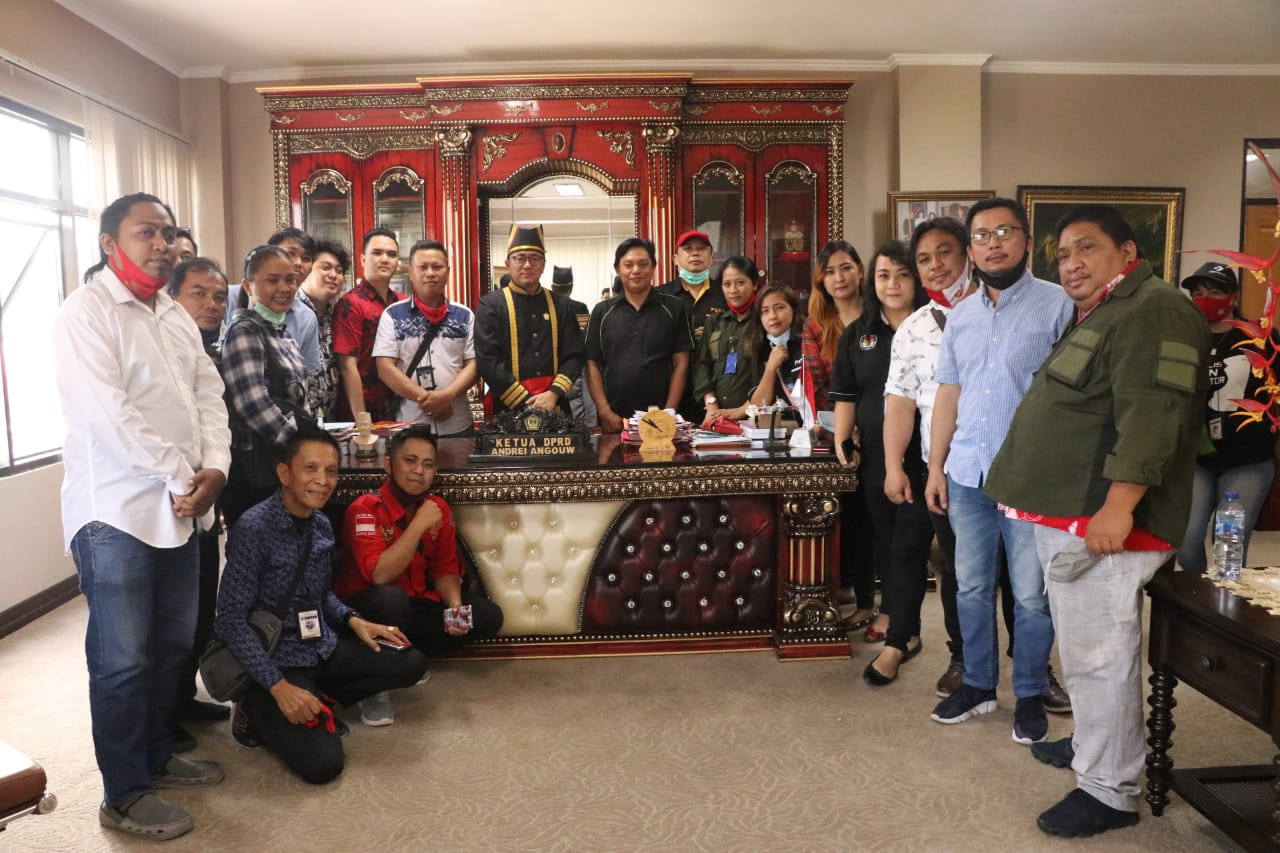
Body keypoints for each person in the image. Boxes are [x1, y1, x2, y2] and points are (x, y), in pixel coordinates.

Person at [984, 204, 1209, 838]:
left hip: (1106, 521)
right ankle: (1094, 743)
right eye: (1064, 254)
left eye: (1087, 248)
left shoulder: (1154, 308)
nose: (1072, 263)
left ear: (1128, 252)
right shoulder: (1107, 309)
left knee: (1100, 656)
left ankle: (1109, 789)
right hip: (1074, 512)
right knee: (1083, 649)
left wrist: (1119, 505)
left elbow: (1154, 413)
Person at [54, 193, 231, 841]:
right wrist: (186, 477)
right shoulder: (86, 313)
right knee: (123, 658)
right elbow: (109, 414)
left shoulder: (172, 313)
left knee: (172, 645)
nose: (161, 244)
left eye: (168, 233)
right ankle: (124, 793)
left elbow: (208, 395)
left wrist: (217, 469)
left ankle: (156, 752)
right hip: (116, 513)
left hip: (183, 508)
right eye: (145, 232)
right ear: (110, 243)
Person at [924, 197, 1075, 744]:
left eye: (1004, 232)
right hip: (968, 474)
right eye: (982, 236)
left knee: (1031, 595)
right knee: (970, 587)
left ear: (1027, 241)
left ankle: (1030, 692)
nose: (993, 244)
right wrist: (936, 467)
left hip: (1031, 478)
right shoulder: (961, 315)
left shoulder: (1059, 305)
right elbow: (949, 393)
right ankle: (979, 685)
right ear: (971, 250)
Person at [214, 429, 429, 784]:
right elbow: (230, 620)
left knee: (410, 661)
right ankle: (253, 708)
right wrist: (277, 686)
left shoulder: (322, 525)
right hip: (275, 661)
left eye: (331, 471)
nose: (323, 480)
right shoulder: (254, 528)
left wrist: (354, 620)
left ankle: (317, 697)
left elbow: (320, 594)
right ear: (285, 473)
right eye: (310, 468)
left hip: (319, 646)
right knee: (323, 765)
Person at [882, 218, 1021, 699]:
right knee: (960, 571)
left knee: (1022, 576)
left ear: (967, 255)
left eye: (944, 252)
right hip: (948, 471)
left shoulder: (1006, 311)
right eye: (923, 259)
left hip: (1014, 466)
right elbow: (900, 402)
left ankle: (1031, 666)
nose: (935, 265)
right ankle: (964, 658)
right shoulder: (913, 329)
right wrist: (895, 466)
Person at [335, 424, 504, 725]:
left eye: (428, 464)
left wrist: (454, 605)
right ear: (389, 465)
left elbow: (444, 568)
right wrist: (418, 525)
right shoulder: (365, 509)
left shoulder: (436, 507)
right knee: (391, 600)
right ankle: (375, 686)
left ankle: (409, 654)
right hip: (368, 611)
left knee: (487, 616)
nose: (418, 471)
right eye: (410, 461)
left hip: (415, 604)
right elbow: (379, 575)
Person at [832, 241, 932, 685]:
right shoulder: (860, 333)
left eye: (902, 274)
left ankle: (902, 634)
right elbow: (846, 394)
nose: (893, 284)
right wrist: (843, 439)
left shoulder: (935, 324)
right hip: (875, 453)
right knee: (888, 542)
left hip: (926, 455)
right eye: (884, 275)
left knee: (910, 545)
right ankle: (899, 621)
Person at [165, 257, 233, 749]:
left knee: (201, 605)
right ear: (173, 297)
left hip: (209, 494)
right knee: (169, 619)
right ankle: (163, 714)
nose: (211, 304)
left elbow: (213, 417)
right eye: (199, 293)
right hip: (169, 498)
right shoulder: (161, 345)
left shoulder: (209, 348)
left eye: (219, 296)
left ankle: (183, 696)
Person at [1176, 261, 1275, 573]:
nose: (1205, 299)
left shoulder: (1260, 338)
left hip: (1248, 461)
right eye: (1198, 293)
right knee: (1186, 541)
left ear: (1234, 296)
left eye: (1215, 292)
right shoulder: (1185, 339)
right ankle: (1198, 596)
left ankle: (1225, 599)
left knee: (1229, 548)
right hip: (1198, 459)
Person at [804, 240, 879, 633]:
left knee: (884, 521)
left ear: (860, 270)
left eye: (846, 268)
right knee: (852, 521)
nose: (839, 277)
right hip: (838, 435)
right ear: (821, 280)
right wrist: (842, 430)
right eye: (830, 271)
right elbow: (816, 385)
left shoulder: (879, 313)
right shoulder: (817, 323)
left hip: (884, 428)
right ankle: (862, 599)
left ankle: (891, 607)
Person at [221, 245, 312, 529]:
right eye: (272, 280)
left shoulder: (282, 332)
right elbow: (253, 404)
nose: (284, 288)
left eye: (290, 279)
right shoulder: (244, 331)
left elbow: (299, 396)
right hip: (257, 468)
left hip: (284, 463)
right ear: (248, 285)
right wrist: (300, 445)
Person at [474, 224, 584, 415]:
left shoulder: (562, 305)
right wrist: (527, 402)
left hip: (555, 405)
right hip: (508, 408)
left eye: (535, 258)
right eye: (520, 258)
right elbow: (488, 360)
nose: (527, 265)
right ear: (507, 264)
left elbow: (574, 355)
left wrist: (553, 393)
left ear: (543, 264)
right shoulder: (490, 305)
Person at [585, 237, 693, 432]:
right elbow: (592, 364)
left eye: (643, 264)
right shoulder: (602, 312)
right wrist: (604, 411)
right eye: (628, 265)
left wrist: (668, 412)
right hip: (615, 418)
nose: (636, 270)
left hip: (662, 416)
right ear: (618, 269)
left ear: (653, 267)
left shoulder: (673, 307)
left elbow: (681, 363)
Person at [374, 240, 478, 436]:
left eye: (437, 267)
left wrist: (447, 396)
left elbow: (473, 364)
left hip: (457, 422)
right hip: (409, 422)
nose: (430, 273)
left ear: (448, 271)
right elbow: (385, 368)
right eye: (422, 267)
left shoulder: (465, 315)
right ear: (410, 272)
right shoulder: (392, 315)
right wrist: (429, 400)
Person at [225, 229, 322, 376]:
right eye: (290, 254)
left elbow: (307, 375)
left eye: (306, 258)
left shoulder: (302, 320)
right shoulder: (230, 303)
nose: (297, 263)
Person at [655, 229, 728, 423]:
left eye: (701, 249)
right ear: (675, 259)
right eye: (688, 249)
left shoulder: (725, 294)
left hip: (715, 390)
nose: (695, 253)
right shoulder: (660, 296)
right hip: (669, 387)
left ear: (712, 258)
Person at [333, 227, 403, 420]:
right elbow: (348, 367)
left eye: (391, 254)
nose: (385, 259)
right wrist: (363, 421)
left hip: (400, 407)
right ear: (363, 260)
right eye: (377, 253)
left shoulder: (402, 303)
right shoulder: (351, 304)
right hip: (363, 410)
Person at [692, 256, 764, 426]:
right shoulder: (715, 322)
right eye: (727, 284)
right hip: (716, 417)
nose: (733, 290)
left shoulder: (763, 321)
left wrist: (744, 409)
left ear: (754, 284)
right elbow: (702, 365)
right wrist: (711, 404)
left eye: (740, 283)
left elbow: (769, 372)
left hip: (754, 418)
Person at [295, 239, 348, 419]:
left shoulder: (335, 316)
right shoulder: (290, 311)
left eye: (339, 271)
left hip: (328, 420)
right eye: (325, 268)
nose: (333, 275)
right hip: (295, 420)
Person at [551, 265, 597, 426]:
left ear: (552, 286)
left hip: (550, 368)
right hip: (575, 367)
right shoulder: (579, 307)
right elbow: (585, 338)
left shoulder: (547, 307)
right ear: (571, 286)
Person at [748, 284, 805, 410]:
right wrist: (770, 368)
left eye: (779, 308)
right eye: (765, 311)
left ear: (793, 309)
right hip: (779, 420)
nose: (772, 316)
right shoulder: (761, 348)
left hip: (811, 419)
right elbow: (757, 406)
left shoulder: (808, 341)